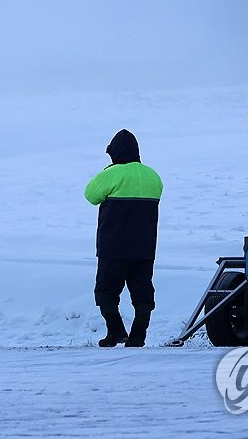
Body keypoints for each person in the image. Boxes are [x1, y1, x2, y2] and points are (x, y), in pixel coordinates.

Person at [84, 129, 163, 347]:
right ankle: (139, 335)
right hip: (145, 247)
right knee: (142, 292)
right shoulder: (153, 176)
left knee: (106, 291)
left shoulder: (113, 173)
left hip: (114, 246)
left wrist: (108, 171)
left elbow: (91, 195)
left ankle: (116, 331)